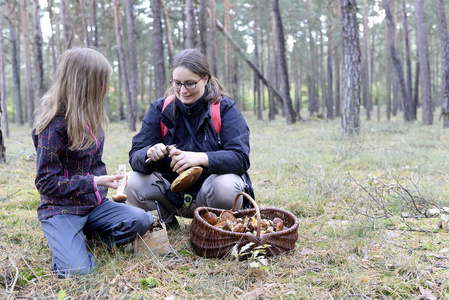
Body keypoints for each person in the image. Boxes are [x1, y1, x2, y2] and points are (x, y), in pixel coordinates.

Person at [32, 47, 153, 278]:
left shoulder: (93, 120)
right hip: (61, 210)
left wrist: (111, 181)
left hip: (94, 206)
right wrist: (94, 181)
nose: (106, 89)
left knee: (142, 219)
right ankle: (69, 244)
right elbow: (46, 182)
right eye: (102, 83)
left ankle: (92, 237)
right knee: (77, 271)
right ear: (86, 85)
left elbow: (95, 166)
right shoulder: (53, 126)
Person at [125, 48, 254, 230]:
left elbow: (240, 157)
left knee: (227, 185)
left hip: (211, 195)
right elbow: (135, 155)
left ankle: (212, 227)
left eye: (190, 84)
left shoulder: (224, 108)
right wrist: (148, 153)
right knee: (130, 181)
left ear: (205, 79)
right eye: (177, 83)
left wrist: (201, 158)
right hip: (171, 195)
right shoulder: (160, 109)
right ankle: (166, 225)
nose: (183, 90)